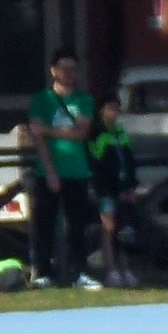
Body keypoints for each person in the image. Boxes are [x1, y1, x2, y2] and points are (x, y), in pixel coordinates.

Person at [27, 47, 99, 289]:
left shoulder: (84, 100)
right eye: (63, 68)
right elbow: (37, 137)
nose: (68, 73)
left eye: (72, 69)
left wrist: (49, 130)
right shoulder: (42, 100)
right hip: (48, 170)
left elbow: (81, 132)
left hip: (77, 170)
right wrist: (50, 171)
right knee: (44, 224)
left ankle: (79, 272)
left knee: (77, 225)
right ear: (53, 71)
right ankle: (42, 271)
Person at [87, 95, 140, 287]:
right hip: (106, 188)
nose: (114, 113)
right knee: (108, 228)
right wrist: (106, 187)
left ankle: (126, 268)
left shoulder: (120, 132)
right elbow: (97, 165)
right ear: (101, 110)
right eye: (110, 108)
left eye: (117, 108)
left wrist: (131, 185)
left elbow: (129, 160)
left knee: (125, 228)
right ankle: (111, 269)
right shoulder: (96, 133)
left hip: (124, 187)